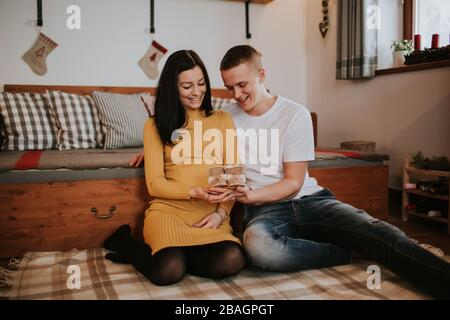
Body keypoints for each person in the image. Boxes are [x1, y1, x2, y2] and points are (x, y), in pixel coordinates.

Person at [216, 45, 450, 299]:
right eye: (229, 88)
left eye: (242, 85)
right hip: (265, 211)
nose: (236, 94)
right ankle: (344, 252)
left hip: (311, 201)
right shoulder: (224, 118)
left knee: (378, 232)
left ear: (261, 75)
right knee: (259, 248)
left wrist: (251, 195)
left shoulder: (295, 114)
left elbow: (293, 182)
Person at [105, 50, 245, 286]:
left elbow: (233, 179)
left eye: (201, 83)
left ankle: (181, 254)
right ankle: (125, 244)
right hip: (168, 212)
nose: (197, 91)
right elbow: (154, 184)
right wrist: (193, 192)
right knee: (167, 272)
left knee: (232, 260)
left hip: (209, 214)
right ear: (173, 87)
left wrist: (221, 213)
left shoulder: (222, 119)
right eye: (187, 86)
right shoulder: (154, 125)